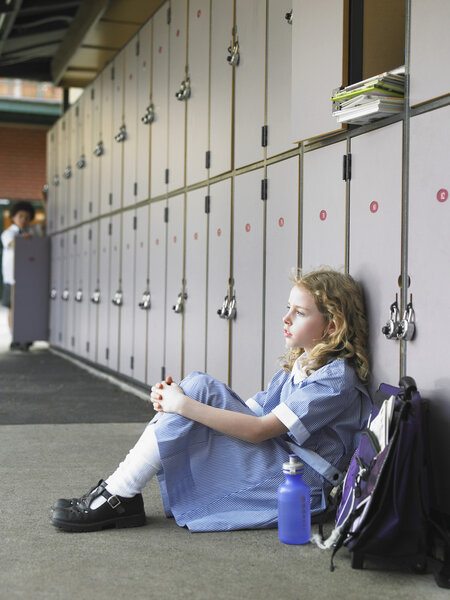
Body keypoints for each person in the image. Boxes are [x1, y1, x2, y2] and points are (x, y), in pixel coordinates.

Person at [51, 268, 372, 533]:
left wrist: (183, 406)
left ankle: (119, 493)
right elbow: (251, 409)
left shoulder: (335, 379)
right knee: (198, 387)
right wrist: (177, 402)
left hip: (304, 483)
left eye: (299, 313)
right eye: (287, 308)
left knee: (196, 394)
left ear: (332, 325)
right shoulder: (303, 363)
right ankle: (121, 489)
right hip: (284, 460)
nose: (286, 318)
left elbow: (260, 429)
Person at [1, 201, 41, 351]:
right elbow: (12, 243)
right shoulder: (8, 233)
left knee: (27, 308)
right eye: (21, 216)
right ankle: (15, 337)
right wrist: (23, 239)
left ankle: (27, 335)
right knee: (13, 308)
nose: (24, 220)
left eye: (27, 217)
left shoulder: (32, 232)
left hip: (29, 277)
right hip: (12, 278)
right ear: (13, 217)